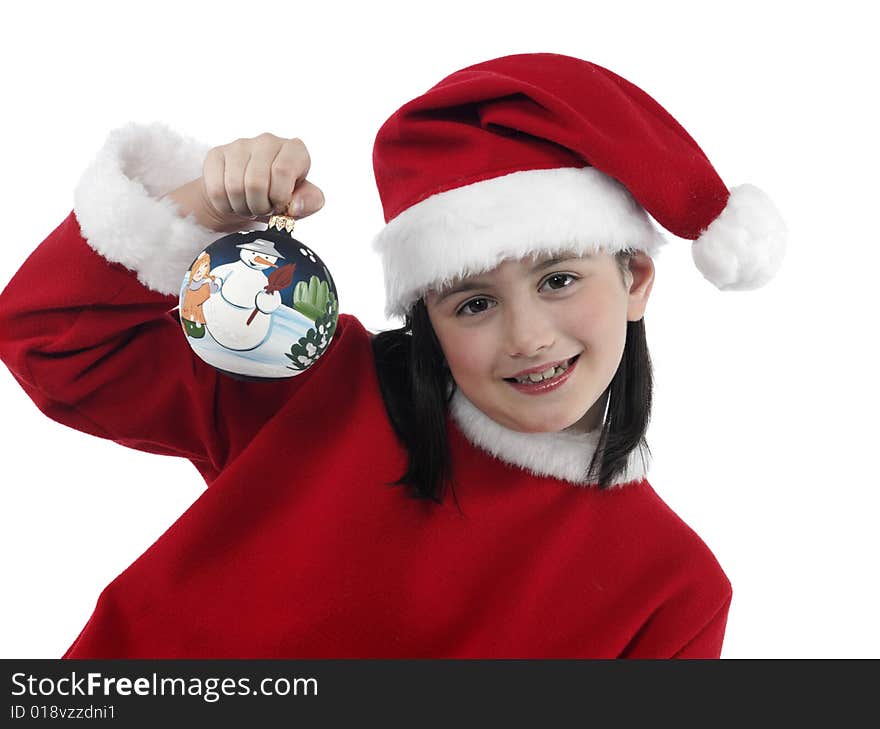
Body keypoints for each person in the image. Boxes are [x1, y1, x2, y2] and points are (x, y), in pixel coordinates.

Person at [0, 53, 785, 658]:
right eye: (472, 302)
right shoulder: (319, 385)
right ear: (427, 318)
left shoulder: (673, 590)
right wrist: (205, 207)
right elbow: (52, 339)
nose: (527, 336)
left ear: (637, 277)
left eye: (557, 279)